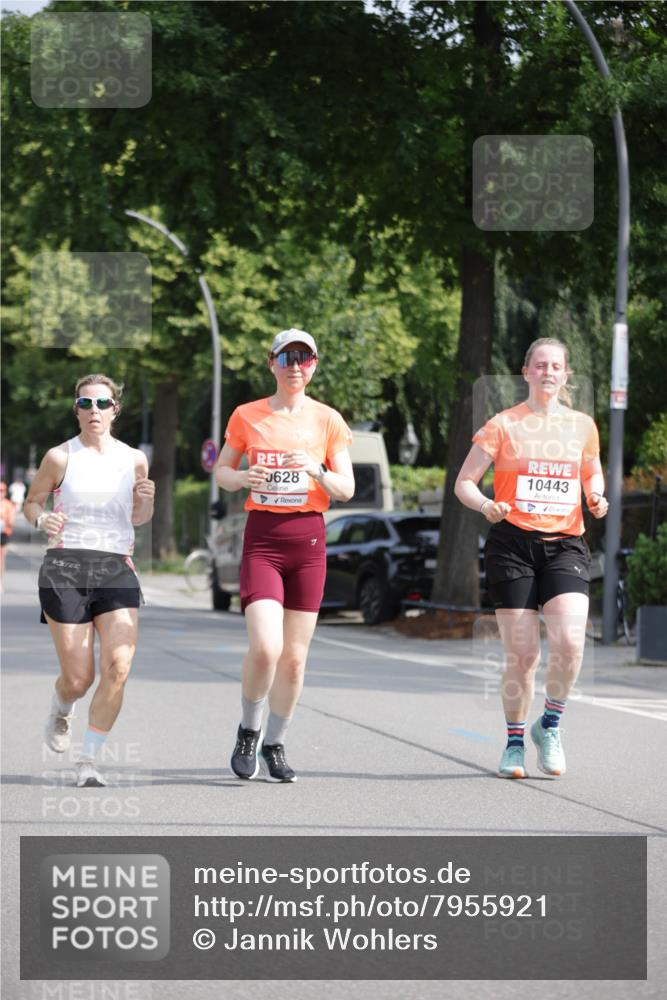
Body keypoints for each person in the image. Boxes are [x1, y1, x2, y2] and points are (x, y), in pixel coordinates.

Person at [455, 338, 608, 779]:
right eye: (540, 365)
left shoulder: (582, 425)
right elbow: (464, 482)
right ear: (526, 372)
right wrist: (486, 506)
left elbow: (591, 469)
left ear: (565, 375)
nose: (548, 372)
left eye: (556, 366)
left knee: (571, 643)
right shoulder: (502, 425)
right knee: (522, 655)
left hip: (565, 544)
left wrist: (594, 494)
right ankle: (516, 742)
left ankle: (551, 725)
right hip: (512, 544)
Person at [215, 328, 355, 782]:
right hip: (264, 538)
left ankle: (275, 743)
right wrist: (242, 479)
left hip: (309, 540)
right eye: (287, 357)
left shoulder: (328, 420)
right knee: (265, 648)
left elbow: (347, 488)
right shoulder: (247, 415)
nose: (296, 366)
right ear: (271, 362)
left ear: (315, 364)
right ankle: (248, 732)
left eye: (305, 358)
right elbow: (221, 470)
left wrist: (317, 469)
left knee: (294, 660)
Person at [23, 375, 155, 787]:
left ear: (115, 408)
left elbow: (138, 519)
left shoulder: (134, 459)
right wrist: (42, 518)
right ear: (76, 409)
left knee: (118, 665)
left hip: (116, 566)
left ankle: (88, 762)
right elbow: (31, 502)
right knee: (79, 678)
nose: (93, 410)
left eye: (102, 403)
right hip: (65, 568)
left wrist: (146, 502)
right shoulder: (60, 457)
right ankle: (62, 706)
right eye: (85, 403)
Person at [0, 482, 16, 578]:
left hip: (3, 533)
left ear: (5, 492)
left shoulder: (8, 504)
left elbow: (11, 521)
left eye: (1, 491)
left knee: (1, 558)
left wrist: (3, 519)